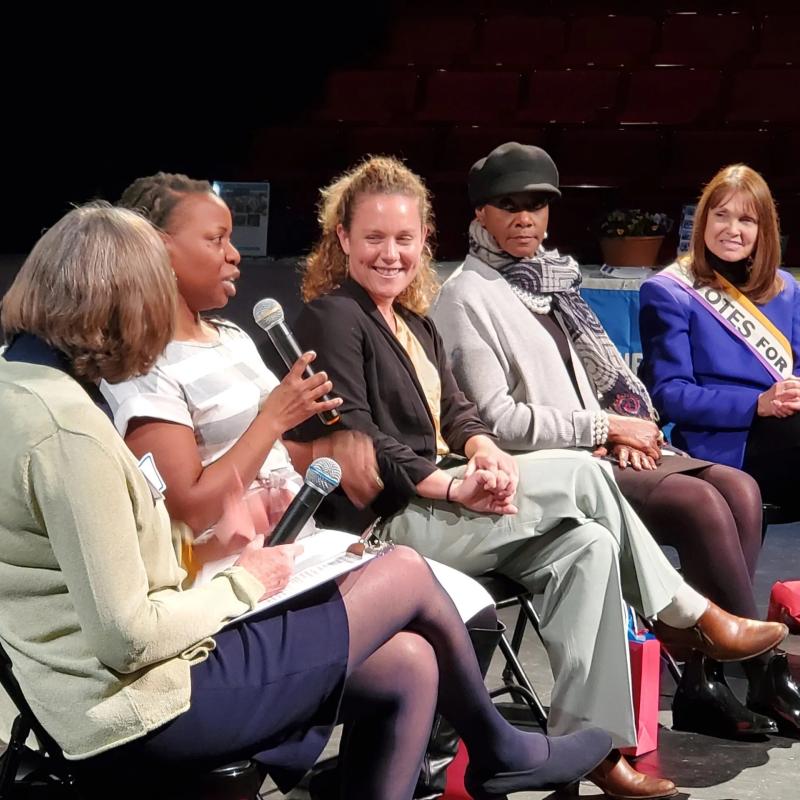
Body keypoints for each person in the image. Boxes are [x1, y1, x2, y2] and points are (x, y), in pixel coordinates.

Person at [0, 203, 616, 800]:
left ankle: (495, 751)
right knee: (399, 570)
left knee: (408, 663)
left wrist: (216, 540)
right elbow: (127, 637)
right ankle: (499, 750)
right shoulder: (67, 430)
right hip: (138, 706)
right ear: (122, 305)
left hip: (126, 674)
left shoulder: (20, 385)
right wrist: (243, 582)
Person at [286, 155, 788, 800]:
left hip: (454, 502)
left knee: (591, 546)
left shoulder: (410, 318)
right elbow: (359, 437)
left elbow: (463, 413)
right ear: (343, 240)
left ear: (423, 243)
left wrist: (483, 451)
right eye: (375, 238)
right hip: (393, 524)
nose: (391, 254)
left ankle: (593, 751)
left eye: (404, 239)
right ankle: (689, 616)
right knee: (585, 474)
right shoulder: (334, 314)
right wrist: (451, 482)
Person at [102, 172, 503, 799]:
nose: (236, 254)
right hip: (225, 582)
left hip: (296, 545)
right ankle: (498, 746)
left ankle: (465, 756)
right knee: (404, 571)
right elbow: (185, 509)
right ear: (156, 251)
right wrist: (275, 418)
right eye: (216, 240)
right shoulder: (143, 365)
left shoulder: (231, 337)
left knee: (419, 656)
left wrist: (319, 447)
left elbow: (273, 449)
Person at [431, 143, 800, 739]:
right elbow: (498, 421)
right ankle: (757, 671)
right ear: (480, 215)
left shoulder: (554, 280)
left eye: (537, 205)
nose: (525, 219)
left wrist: (622, 425)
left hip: (601, 447)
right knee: (702, 502)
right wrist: (605, 428)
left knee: (740, 488)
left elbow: (609, 387)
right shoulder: (466, 294)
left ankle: (707, 682)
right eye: (508, 206)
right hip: (549, 464)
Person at [640, 164, 800, 520]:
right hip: (720, 442)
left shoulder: (787, 289)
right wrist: (758, 403)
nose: (732, 229)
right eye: (721, 215)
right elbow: (670, 395)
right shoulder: (669, 292)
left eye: (746, 220)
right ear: (703, 221)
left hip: (786, 432)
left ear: (764, 231)